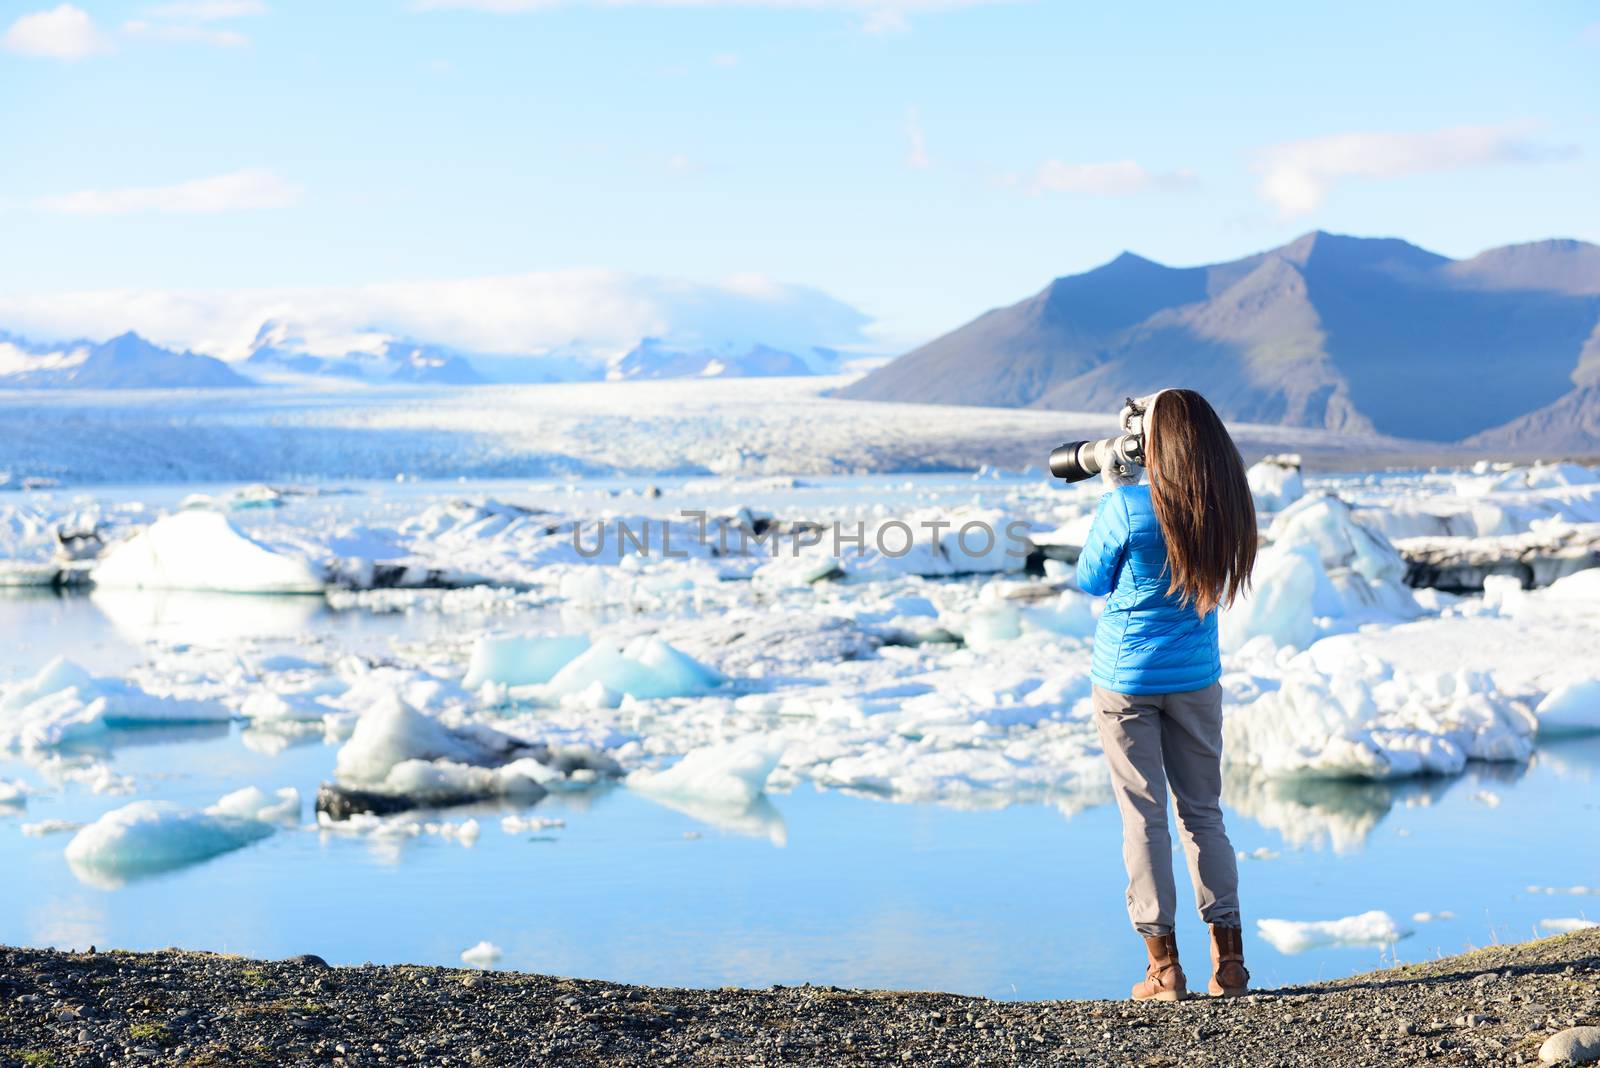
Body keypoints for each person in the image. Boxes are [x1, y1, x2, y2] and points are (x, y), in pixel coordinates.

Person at [1075, 388, 1257, 1002]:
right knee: (1203, 814)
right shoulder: (1226, 505)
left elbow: (1090, 578)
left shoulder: (1127, 505)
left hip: (1126, 681)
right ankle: (1229, 966)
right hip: (1196, 678)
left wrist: (1113, 492)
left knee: (1145, 818)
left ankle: (1164, 970)